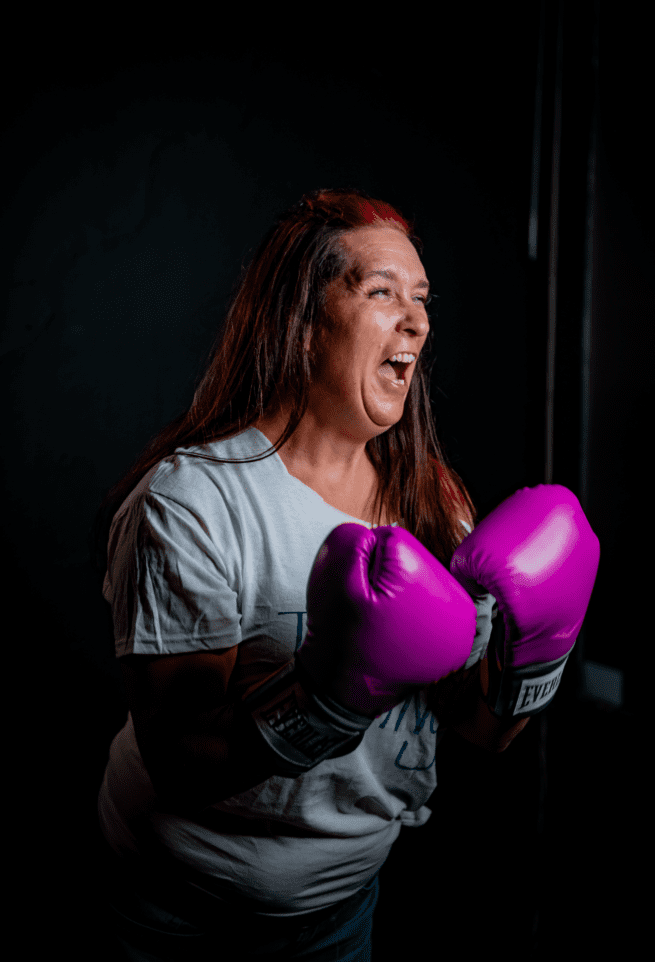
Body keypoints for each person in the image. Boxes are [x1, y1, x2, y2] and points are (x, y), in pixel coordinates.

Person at [90, 187, 599, 960]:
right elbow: (179, 763)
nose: (417, 322)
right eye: (381, 292)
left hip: (339, 913)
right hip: (173, 910)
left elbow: (483, 729)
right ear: (299, 325)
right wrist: (326, 699)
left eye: (422, 299)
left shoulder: (430, 498)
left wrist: (539, 655)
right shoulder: (195, 502)